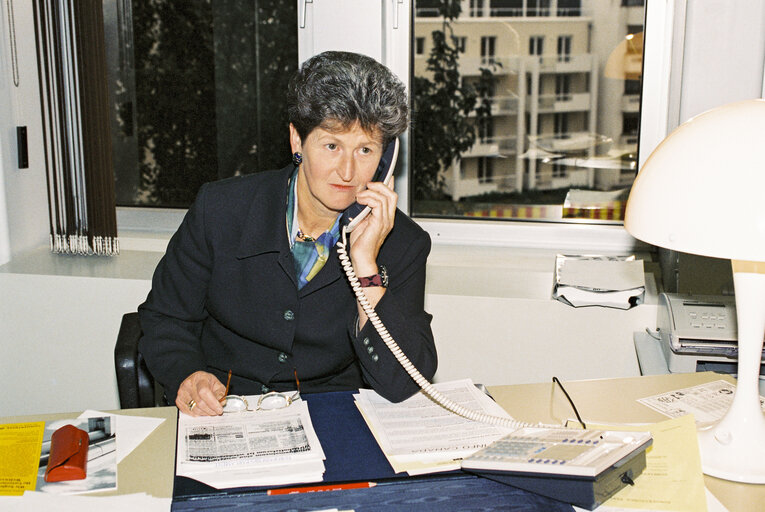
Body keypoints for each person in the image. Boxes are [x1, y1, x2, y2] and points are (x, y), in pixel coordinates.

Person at [138, 51, 437, 417]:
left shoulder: (404, 243)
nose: (347, 171)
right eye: (331, 145)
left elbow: (404, 382)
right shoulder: (221, 209)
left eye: (365, 150)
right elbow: (166, 318)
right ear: (297, 141)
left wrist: (365, 263)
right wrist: (187, 374)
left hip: (331, 415)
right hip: (224, 409)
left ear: (385, 159)